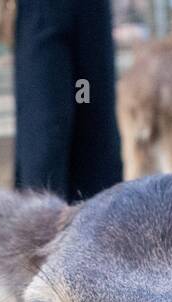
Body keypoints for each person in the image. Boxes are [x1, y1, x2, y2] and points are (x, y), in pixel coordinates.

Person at [12, 0, 122, 201]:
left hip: (90, 13)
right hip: (39, 10)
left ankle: (98, 224)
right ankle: (40, 227)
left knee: (92, 119)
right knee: (44, 135)